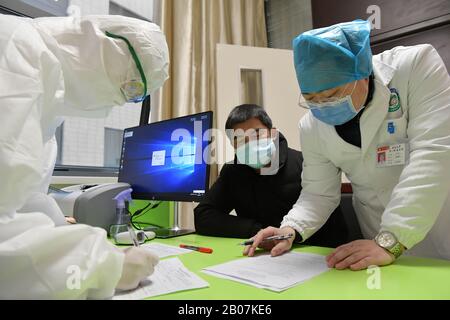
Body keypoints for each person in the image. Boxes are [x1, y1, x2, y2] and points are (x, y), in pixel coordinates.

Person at [245, 20, 450, 270]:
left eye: (332, 95)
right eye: (311, 99)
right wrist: (289, 229)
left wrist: (392, 240)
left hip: (438, 227)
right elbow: (318, 193)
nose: (323, 106)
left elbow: (433, 154)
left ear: (362, 72)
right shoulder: (311, 125)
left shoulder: (415, 66)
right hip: (376, 241)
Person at [0, 14, 169, 298]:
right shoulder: (19, 52)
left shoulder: (48, 102)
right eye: (132, 88)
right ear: (106, 46)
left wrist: (61, 229)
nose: (122, 101)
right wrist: (108, 267)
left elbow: (25, 199)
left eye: (135, 97)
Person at [195, 104, 349, 248]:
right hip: (260, 256)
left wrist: (288, 237)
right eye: (240, 139)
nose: (249, 144)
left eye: (257, 134)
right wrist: (257, 230)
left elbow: (332, 225)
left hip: (312, 255)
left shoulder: (306, 164)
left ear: (272, 133)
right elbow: (203, 215)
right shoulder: (232, 172)